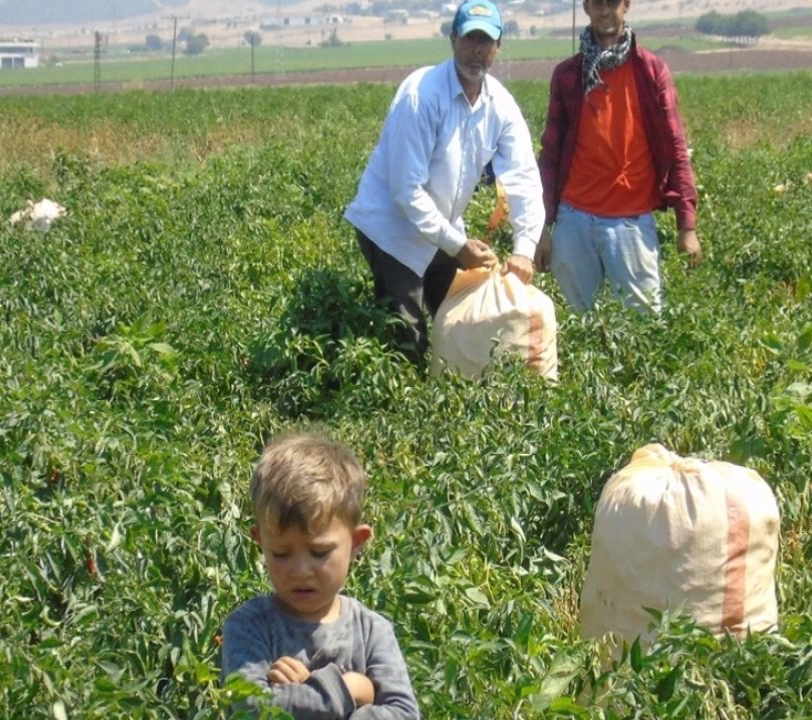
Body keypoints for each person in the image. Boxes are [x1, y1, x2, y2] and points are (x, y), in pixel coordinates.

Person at [344, 0, 544, 363]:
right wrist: (457, 245)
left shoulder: (500, 106)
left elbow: (524, 179)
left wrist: (524, 248)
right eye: (470, 39)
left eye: (486, 42)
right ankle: (400, 408)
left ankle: (449, 400)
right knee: (408, 334)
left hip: (442, 227)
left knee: (453, 322)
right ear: (453, 40)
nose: (477, 51)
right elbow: (406, 191)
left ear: (498, 47)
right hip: (393, 227)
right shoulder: (422, 95)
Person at [221, 431, 420, 719]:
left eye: (319, 552)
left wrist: (308, 691)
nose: (300, 571)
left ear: (356, 543)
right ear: (260, 543)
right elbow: (252, 707)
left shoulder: (372, 631)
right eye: (280, 553)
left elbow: (404, 714)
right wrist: (352, 690)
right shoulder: (248, 626)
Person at [535, 0, 701, 315]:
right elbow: (551, 154)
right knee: (576, 325)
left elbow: (675, 146)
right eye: (597, 3)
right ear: (585, 7)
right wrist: (540, 227)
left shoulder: (650, 71)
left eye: (612, 2)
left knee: (645, 323)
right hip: (575, 220)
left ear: (626, 6)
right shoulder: (568, 75)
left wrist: (687, 225)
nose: (604, 10)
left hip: (632, 221)